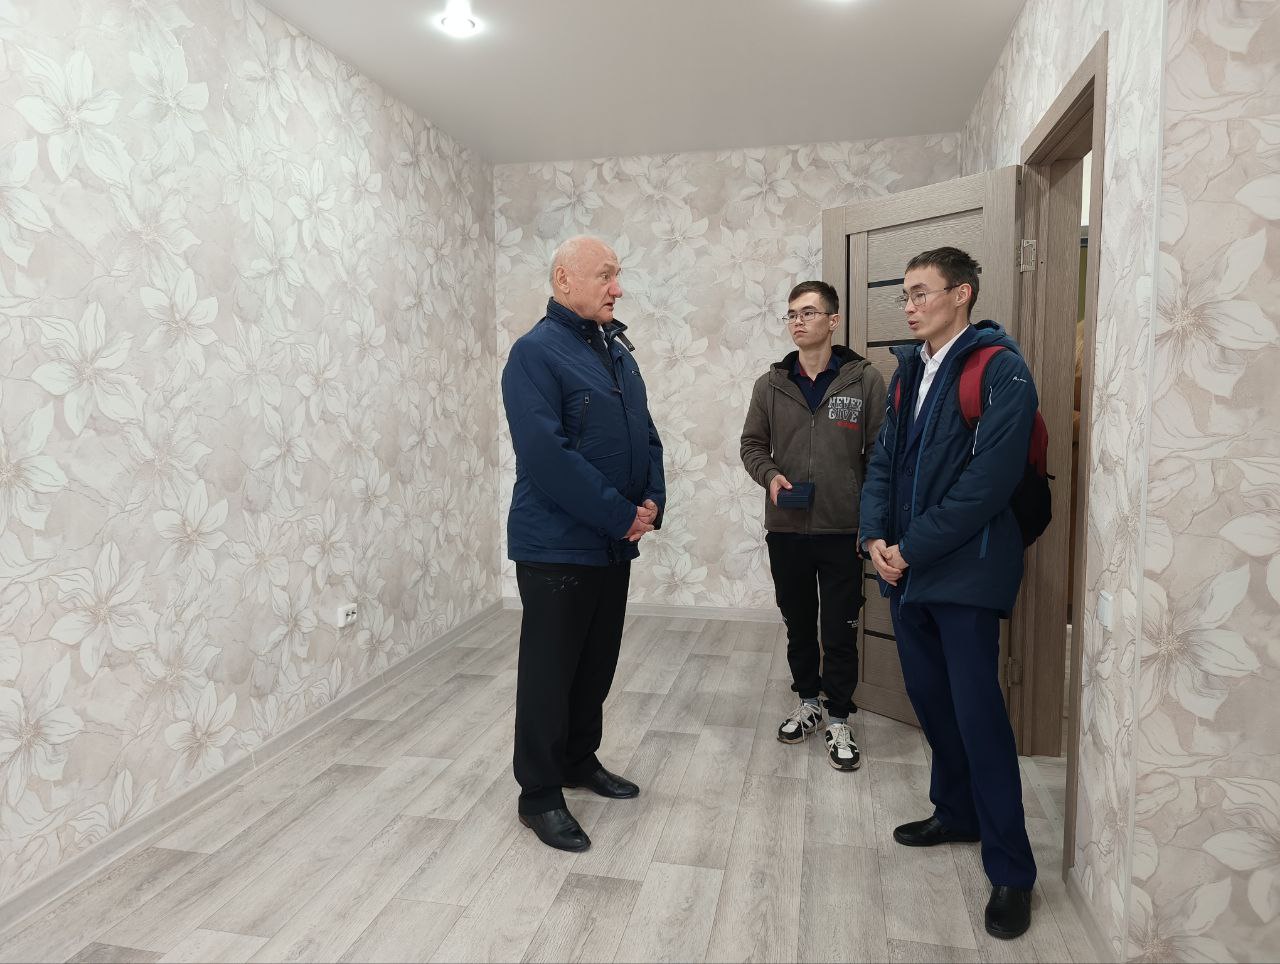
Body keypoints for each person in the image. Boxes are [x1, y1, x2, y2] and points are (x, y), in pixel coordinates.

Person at [859, 246, 1039, 939]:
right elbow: (883, 461)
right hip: (906, 569)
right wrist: (876, 537)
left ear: (961, 294)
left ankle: (1012, 871)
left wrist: (910, 547)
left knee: (978, 715)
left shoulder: (1000, 370)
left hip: (965, 572)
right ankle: (956, 812)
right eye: (905, 294)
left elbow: (987, 485)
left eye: (921, 292)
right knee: (932, 702)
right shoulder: (910, 370)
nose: (909, 306)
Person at [500, 235, 665, 853]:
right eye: (605, 275)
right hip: (556, 547)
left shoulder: (615, 350)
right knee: (550, 674)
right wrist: (621, 515)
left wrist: (652, 500)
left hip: (611, 543)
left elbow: (645, 432)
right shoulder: (534, 354)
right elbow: (547, 457)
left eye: (617, 275)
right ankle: (539, 794)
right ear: (564, 280)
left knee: (595, 663)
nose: (617, 288)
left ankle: (577, 759)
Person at [740, 280, 886, 772]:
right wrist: (770, 476)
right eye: (791, 314)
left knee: (839, 628)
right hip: (786, 528)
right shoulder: (771, 384)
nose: (797, 322)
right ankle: (807, 702)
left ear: (833, 320)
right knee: (798, 624)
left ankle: (839, 716)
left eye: (807, 312)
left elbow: (880, 454)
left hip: (842, 529)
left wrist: (871, 519)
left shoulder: (863, 380)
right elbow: (751, 446)